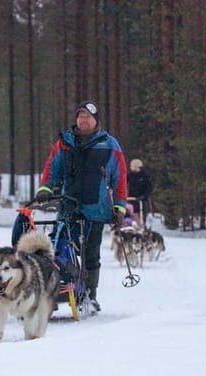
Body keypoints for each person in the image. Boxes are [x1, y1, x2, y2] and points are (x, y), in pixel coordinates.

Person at [28, 100, 128, 311]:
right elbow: (51, 169)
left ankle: (90, 295)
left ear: (96, 120)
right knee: (61, 249)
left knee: (91, 253)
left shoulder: (109, 145)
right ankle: (58, 290)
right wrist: (45, 189)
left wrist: (119, 207)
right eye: (80, 116)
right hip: (68, 206)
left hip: (97, 208)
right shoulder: (65, 143)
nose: (83, 120)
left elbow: (120, 179)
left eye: (88, 117)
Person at [127, 159, 152, 224]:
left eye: (131, 166)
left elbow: (149, 188)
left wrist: (144, 196)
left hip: (142, 200)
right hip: (131, 199)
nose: (130, 168)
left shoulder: (145, 176)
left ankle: (141, 227)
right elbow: (123, 182)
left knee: (141, 217)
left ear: (136, 167)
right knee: (132, 215)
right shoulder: (130, 175)